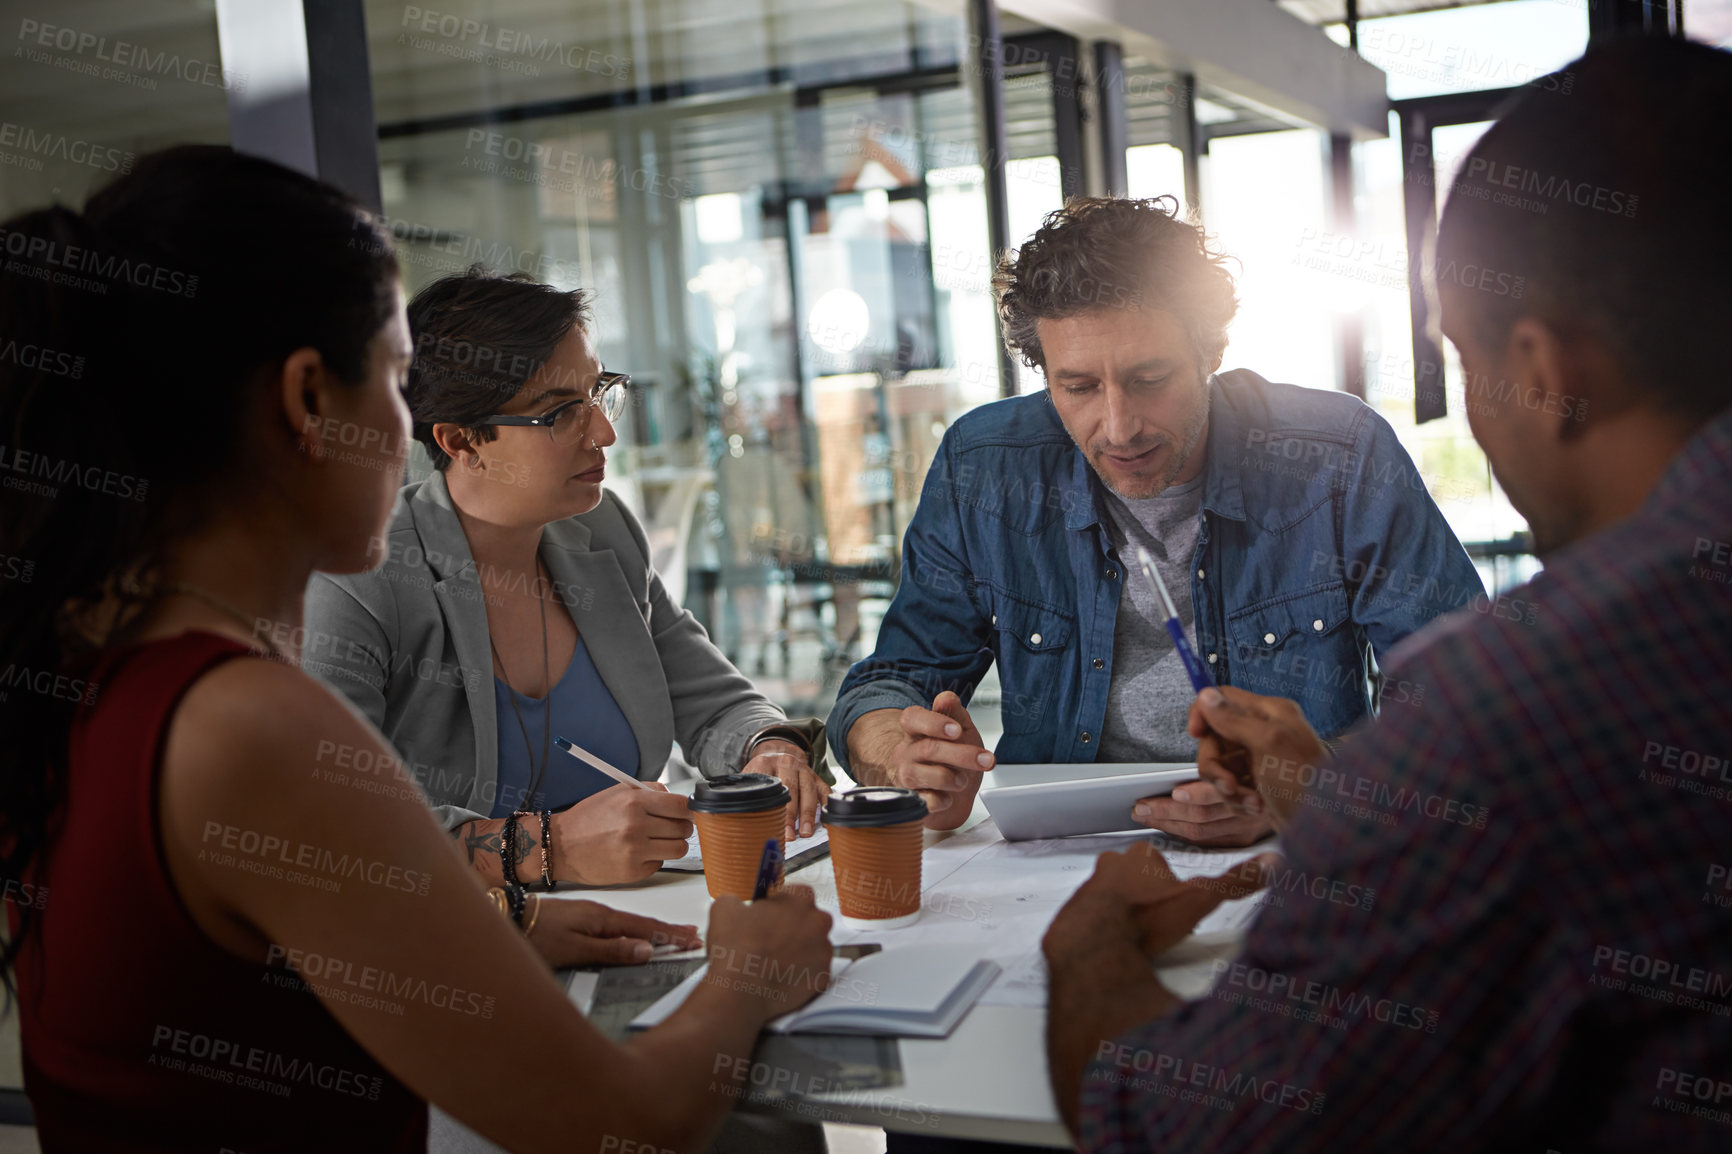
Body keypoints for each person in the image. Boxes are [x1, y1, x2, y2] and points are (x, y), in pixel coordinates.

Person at [0, 144, 835, 1153]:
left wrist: (510, 923)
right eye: (398, 382)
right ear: (310, 400)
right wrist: (749, 971)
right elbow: (618, 1123)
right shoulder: (247, 724)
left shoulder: (103, 667)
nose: (410, 431)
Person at [1042, 36, 1732, 1151]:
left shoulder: (1519, 708)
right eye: (1076, 386)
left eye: (1464, 359)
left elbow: (1188, 1128)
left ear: (1542, 372)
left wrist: (1086, 946)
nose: (1115, 422)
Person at [828, 195, 1481, 847]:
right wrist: (903, 756)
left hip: (1296, 852)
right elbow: (893, 679)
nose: (1118, 427)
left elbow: (1464, 704)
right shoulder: (985, 467)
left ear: (1209, 350)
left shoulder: (1338, 458)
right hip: (1048, 864)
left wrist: (1299, 789)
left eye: (1149, 378)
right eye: (1078, 387)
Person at [299, 268, 833, 929]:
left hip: (646, 916)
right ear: (461, 441)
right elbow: (330, 828)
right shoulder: (363, 578)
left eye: (598, 394)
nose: (603, 435)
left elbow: (714, 699)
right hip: (464, 949)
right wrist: (549, 849)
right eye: (559, 413)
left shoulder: (601, 531)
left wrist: (768, 748)